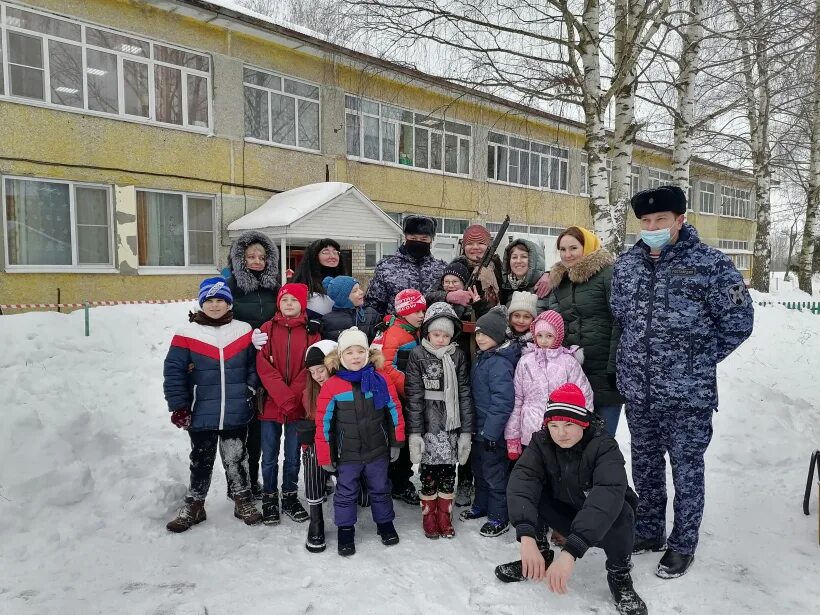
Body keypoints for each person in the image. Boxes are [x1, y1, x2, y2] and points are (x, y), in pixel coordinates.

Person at [611, 185, 754, 578]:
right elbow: (621, 317)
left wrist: (696, 361)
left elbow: (739, 322)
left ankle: (683, 543)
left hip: (688, 395)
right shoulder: (628, 265)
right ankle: (650, 530)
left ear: (680, 220)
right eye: (645, 221)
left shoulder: (711, 264)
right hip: (638, 391)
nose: (652, 226)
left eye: (660, 220)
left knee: (687, 470)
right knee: (645, 465)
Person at [498, 384, 647, 615]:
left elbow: (606, 495)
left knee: (622, 510)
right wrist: (526, 534)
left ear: (583, 422)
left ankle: (619, 574)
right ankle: (541, 553)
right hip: (564, 512)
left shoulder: (604, 446)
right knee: (532, 489)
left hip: (602, 523)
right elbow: (522, 482)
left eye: (569, 424)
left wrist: (571, 552)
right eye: (554, 425)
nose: (561, 433)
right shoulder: (541, 442)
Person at [164, 277, 262, 532]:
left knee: (237, 457)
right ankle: (195, 503)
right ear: (201, 303)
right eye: (210, 300)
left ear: (229, 304)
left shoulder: (243, 330)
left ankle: (242, 499)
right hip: (200, 411)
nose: (215, 305)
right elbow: (173, 371)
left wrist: (249, 389)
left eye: (221, 300)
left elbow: (255, 365)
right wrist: (179, 406)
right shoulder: (187, 333)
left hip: (236, 409)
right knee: (201, 459)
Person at [314, 327, 406, 556]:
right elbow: (323, 424)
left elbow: (394, 410)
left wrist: (396, 442)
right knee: (346, 492)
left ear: (368, 353)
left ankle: (385, 524)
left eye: (360, 351)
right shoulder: (333, 386)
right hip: (347, 453)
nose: (355, 357)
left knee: (381, 488)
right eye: (349, 352)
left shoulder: (380, 380)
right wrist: (325, 455)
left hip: (377, 449)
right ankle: (345, 530)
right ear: (340, 357)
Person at [547, 226, 625, 436]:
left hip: (605, 374)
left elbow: (620, 321)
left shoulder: (607, 275)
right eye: (562, 249)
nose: (567, 254)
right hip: (575, 374)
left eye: (573, 248)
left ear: (588, 247)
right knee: (575, 441)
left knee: (603, 441)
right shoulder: (560, 281)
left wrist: (614, 368)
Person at [404, 302, 473, 539]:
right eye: (436, 334)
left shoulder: (458, 356)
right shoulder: (417, 355)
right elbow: (413, 395)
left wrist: (466, 432)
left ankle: (445, 516)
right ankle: (429, 516)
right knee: (429, 474)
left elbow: (464, 393)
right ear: (427, 333)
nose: (441, 339)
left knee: (448, 472)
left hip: (451, 426)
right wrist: (414, 433)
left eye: (446, 335)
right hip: (427, 424)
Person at [256, 283, 319, 525]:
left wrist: (292, 400)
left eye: (294, 299)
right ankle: (270, 497)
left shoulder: (312, 332)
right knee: (269, 455)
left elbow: (310, 368)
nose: (289, 303)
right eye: (285, 300)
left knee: (293, 455)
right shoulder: (266, 329)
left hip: (299, 406)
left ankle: (290, 495)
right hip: (271, 405)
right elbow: (263, 366)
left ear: (302, 304)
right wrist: (283, 398)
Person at [223, 230, 280, 499]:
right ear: (239, 259)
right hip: (239, 361)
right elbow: (218, 315)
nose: (257, 261)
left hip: (267, 362)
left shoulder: (275, 286)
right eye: (250, 256)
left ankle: (254, 479)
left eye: (262, 256)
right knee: (238, 426)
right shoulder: (231, 284)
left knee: (259, 425)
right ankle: (237, 481)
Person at [459, 306, 521, 537]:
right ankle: (481, 505)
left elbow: (503, 402)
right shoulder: (483, 358)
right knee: (480, 471)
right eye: (478, 334)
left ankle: (498, 516)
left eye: (486, 334)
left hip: (492, 433)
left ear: (498, 336)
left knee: (495, 475)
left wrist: (492, 434)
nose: (480, 338)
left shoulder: (499, 363)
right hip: (478, 430)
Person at [505, 310, 593, 462]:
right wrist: (513, 436)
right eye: (539, 336)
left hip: (561, 432)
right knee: (532, 473)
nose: (544, 341)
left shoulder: (569, 363)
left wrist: (582, 426)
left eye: (549, 336)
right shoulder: (525, 362)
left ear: (558, 336)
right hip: (530, 431)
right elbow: (517, 400)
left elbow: (584, 395)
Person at [369, 289, 426, 506]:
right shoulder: (392, 333)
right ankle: (397, 483)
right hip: (397, 398)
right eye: (416, 311)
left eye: (422, 310)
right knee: (397, 442)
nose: (421, 315)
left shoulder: (411, 330)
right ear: (404, 312)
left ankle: (400, 479)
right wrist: (410, 387)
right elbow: (384, 367)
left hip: (406, 396)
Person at [295, 339, 339, 553]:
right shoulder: (309, 393)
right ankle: (316, 519)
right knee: (311, 456)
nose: (317, 376)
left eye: (321, 370)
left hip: (346, 445)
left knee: (365, 500)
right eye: (313, 372)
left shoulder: (347, 387)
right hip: (321, 446)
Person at [365, 215, 447, 318]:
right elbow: (374, 305)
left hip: (434, 331)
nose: (418, 242)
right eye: (413, 238)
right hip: (397, 329)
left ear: (431, 240)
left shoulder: (441, 268)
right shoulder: (386, 267)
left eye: (424, 239)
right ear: (406, 237)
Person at [292, 238, 346, 319]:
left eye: (335, 252)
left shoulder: (346, 283)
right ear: (314, 256)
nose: (332, 256)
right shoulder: (299, 284)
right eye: (326, 252)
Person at [321, 276, 381, 342]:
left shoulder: (371, 314)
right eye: (355, 291)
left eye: (359, 288)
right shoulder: (328, 321)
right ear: (343, 298)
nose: (361, 292)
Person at [499, 238, 550, 310]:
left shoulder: (547, 285)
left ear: (534, 260)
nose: (518, 261)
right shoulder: (505, 288)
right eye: (514, 257)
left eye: (524, 257)